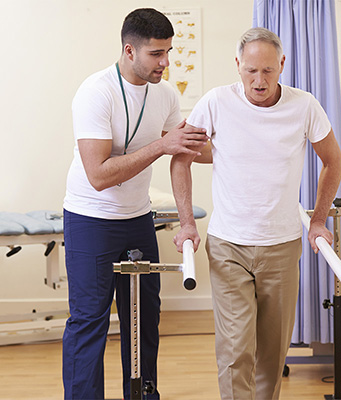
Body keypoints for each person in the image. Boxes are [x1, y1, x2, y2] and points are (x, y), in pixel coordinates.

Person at [170, 27, 341, 400]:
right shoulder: (216, 102)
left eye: (267, 70)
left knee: (271, 354)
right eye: (250, 71)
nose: (259, 81)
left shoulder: (304, 106)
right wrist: (186, 222)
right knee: (235, 352)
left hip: (282, 247)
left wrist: (317, 222)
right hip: (229, 244)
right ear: (237, 65)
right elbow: (181, 159)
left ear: (282, 65)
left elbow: (333, 161)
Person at [62, 8, 207, 400]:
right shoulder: (97, 92)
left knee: (144, 318)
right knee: (90, 321)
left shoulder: (165, 94)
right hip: (90, 218)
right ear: (130, 50)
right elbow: (100, 174)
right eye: (156, 54)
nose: (165, 62)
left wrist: (247, 143)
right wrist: (162, 144)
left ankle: (143, 396)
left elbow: (185, 154)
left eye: (168, 52)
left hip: (137, 218)